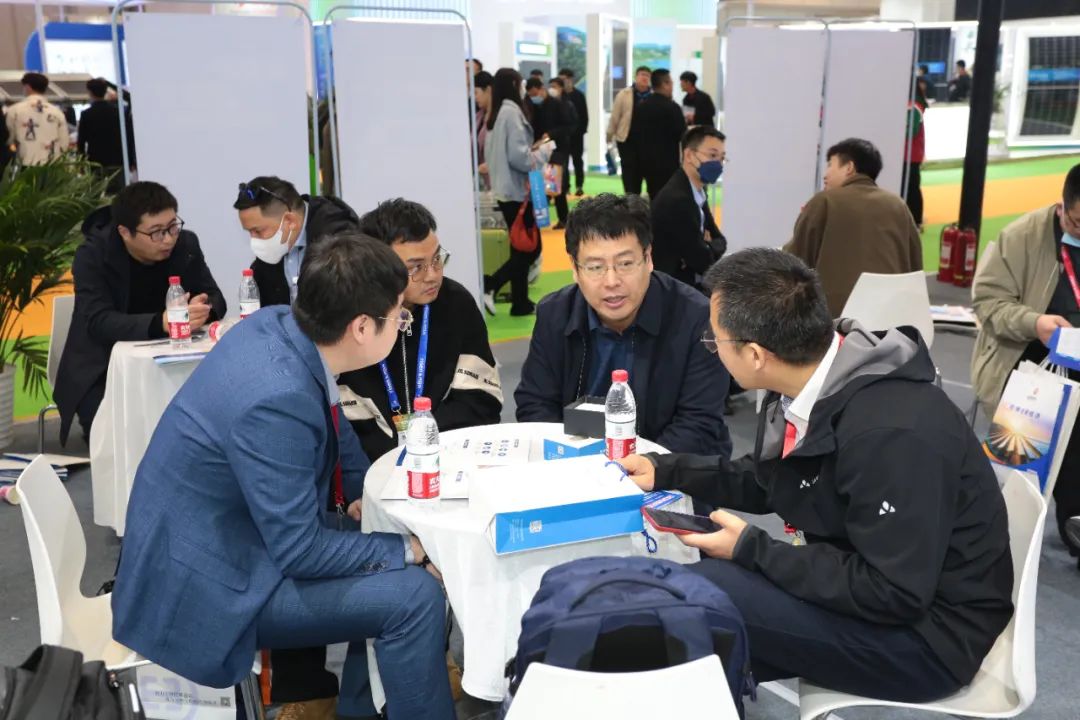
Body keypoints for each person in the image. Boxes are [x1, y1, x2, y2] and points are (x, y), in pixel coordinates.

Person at [618, 248, 1013, 702]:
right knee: (706, 603)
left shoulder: (891, 434)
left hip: (930, 639)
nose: (711, 348)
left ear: (755, 354)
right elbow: (773, 479)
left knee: (703, 595)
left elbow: (894, 591)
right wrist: (666, 470)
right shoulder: (817, 376)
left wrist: (752, 548)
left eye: (715, 340)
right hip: (876, 587)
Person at [111, 235, 455, 720]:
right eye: (399, 315)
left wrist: (362, 493)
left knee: (389, 551)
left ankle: (365, 709)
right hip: (207, 583)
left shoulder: (279, 325)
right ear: (361, 327)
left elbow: (333, 419)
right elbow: (301, 551)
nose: (403, 323)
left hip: (229, 536)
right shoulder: (277, 398)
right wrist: (413, 549)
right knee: (415, 596)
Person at [515, 193, 732, 456]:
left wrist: (633, 469)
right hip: (577, 464)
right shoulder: (555, 314)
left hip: (669, 467)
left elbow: (698, 425)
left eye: (625, 264)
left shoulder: (696, 318)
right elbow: (535, 404)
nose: (611, 281)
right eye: (595, 267)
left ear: (648, 258)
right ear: (575, 268)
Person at [53, 182, 226, 445]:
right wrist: (160, 323)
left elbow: (216, 298)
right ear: (125, 232)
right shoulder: (93, 255)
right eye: (156, 232)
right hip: (104, 366)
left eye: (172, 226)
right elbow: (99, 321)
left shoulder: (186, 243)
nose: (168, 239)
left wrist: (203, 308)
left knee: (207, 423)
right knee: (120, 439)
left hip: (174, 360)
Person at [972, 163, 1080, 570]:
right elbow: (988, 303)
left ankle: (1073, 524)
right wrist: (1035, 323)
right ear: (1062, 207)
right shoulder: (1021, 237)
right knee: (1018, 473)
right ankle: (998, 545)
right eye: (1077, 222)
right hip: (1029, 368)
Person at [338, 199, 502, 460]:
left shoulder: (456, 302)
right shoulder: (351, 316)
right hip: (370, 465)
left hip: (448, 455)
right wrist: (393, 456)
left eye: (437, 259)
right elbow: (342, 422)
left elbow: (481, 399)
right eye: (415, 267)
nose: (433, 275)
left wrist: (422, 440)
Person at [784, 138, 922, 317]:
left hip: (835, 319)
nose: (825, 175)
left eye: (830, 165)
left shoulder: (824, 202)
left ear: (849, 167)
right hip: (894, 316)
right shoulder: (898, 205)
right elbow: (915, 265)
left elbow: (795, 261)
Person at [482, 68, 549, 317]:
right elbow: (520, 158)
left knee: (518, 247)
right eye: (520, 83)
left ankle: (520, 302)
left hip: (504, 189)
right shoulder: (511, 113)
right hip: (517, 191)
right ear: (513, 84)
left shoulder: (497, 113)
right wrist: (544, 153)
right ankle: (491, 283)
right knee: (531, 248)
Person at [234, 176, 360, 307]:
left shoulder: (340, 239)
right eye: (249, 232)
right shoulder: (269, 253)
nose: (254, 240)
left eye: (258, 231)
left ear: (290, 221)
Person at [650, 126, 727, 290]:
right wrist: (708, 246)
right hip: (673, 288)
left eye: (722, 158)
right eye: (712, 156)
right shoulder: (678, 200)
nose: (718, 164)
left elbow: (720, 240)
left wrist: (708, 245)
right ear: (689, 155)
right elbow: (703, 262)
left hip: (688, 283)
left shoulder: (697, 191)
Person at [526, 76, 576, 229]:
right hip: (539, 149)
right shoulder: (535, 106)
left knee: (556, 184)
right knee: (539, 183)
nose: (534, 97)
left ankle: (564, 219)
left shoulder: (558, 105)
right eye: (531, 95)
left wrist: (551, 134)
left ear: (541, 89)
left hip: (557, 149)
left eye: (535, 94)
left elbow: (569, 126)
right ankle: (540, 218)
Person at [634, 69, 687, 200]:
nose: (672, 86)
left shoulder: (642, 106)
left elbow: (636, 134)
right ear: (665, 84)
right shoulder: (673, 108)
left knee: (654, 195)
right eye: (671, 83)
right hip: (669, 163)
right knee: (670, 198)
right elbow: (683, 135)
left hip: (647, 162)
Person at [77, 78, 136, 193]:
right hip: (118, 161)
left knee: (96, 195)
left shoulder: (86, 114)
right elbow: (128, 137)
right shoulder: (119, 113)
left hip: (95, 162)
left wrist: (82, 163)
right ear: (105, 92)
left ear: (90, 92)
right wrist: (130, 160)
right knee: (118, 194)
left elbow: (81, 142)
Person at [5, 72, 69, 166]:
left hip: (24, 161)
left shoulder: (14, 110)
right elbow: (64, 142)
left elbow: (8, 138)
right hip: (51, 163)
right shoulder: (57, 112)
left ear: (28, 87)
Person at [607, 66, 652, 195]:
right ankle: (631, 199)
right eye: (642, 74)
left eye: (647, 75)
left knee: (649, 172)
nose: (644, 78)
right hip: (627, 140)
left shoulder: (654, 95)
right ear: (636, 77)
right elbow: (615, 116)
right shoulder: (624, 94)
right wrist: (609, 135)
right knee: (630, 173)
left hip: (649, 143)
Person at [558, 68, 589, 197]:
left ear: (570, 79)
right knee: (563, 162)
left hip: (577, 136)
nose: (562, 82)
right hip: (562, 136)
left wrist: (580, 131)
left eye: (564, 79)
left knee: (577, 161)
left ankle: (579, 186)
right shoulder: (559, 96)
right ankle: (565, 187)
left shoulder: (579, 96)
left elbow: (584, 116)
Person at [905, 76, 929, 228]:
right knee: (911, 187)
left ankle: (916, 220)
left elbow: (911, 131)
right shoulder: (913, 106)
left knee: (912, 188)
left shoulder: (913, 107)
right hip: (909, 154)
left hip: (910, 155)